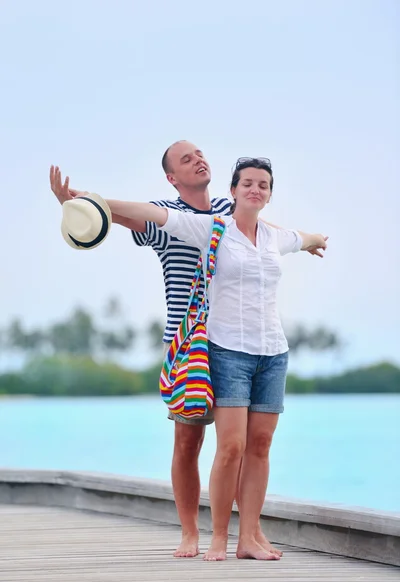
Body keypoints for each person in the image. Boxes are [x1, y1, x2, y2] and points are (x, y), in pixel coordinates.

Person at [49, 144, 323, 559]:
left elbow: (263, 227)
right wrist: (80, 203)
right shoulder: (167, 211)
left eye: (199, 153)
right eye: (185, 159)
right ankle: (191, 532)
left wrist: (306, 241)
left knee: (247, 442)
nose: (198, 159)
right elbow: (123, 215)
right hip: (188, 339)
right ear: (172, 177)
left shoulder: (224, 207)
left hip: (241, 337)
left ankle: (250, 530)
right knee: (189, 439)